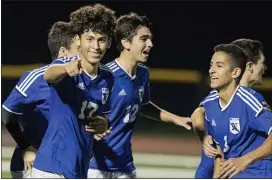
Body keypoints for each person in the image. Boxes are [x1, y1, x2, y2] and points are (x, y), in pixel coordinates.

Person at [87, 12, 192, 179]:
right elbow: (83, 113)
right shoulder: (104, 75)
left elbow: (143, 105)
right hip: (95, 166)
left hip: (125, 166)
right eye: (143, 39)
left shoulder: (142, 73)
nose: (150, 44)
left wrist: (175, 118)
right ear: (126, 42)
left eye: (150, 39)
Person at [32, 4, 116, 178]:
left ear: (108, 43)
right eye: (90, 39)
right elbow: (49, 75)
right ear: (78, 40)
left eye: (101, 39)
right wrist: (66, 68)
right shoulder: (65, 64)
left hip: (79, 166)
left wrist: (105, 124)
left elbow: (99, 116)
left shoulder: (108, 78)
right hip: (51, 168)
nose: (96, 46)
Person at [1, 21, 81, 178]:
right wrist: (26, 147)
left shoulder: (83, 81)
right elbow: (6, 112)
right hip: (33, 165)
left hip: (67, 164)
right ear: (63, 52)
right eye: (79, 49)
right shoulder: (37, 78)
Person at [192, 38, 270, 178]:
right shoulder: (213, 102)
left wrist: (244, 160)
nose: (211, 70)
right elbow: (198, 115)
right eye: (211, 65)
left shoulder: (250, 101)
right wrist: (204, 137)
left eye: (219, 65)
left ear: (236, 72)